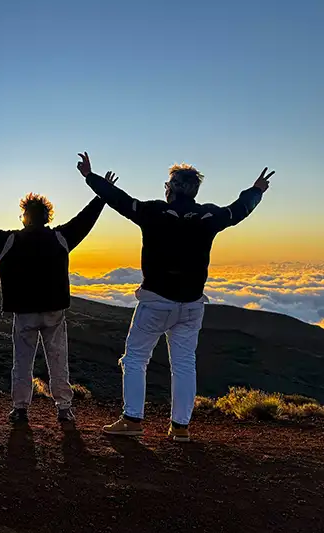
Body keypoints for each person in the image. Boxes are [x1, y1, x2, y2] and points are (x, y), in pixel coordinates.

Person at [77, 152, 273, 442]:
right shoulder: (208, 216)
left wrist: (90, 177)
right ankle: (180, 427)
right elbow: (239, 210)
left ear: (171, 189)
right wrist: (256, 190)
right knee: (183, 364)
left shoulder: (154, 212)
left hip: (156, 302)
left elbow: (120, 200)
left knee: (135, 359)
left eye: (167, 185)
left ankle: (132, 420)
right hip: (192, 304)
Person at [0, 183, 115, 425]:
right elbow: (85, 220)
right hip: (54, 311)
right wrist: (102, 195)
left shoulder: (9, 241)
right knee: (58, 360)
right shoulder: (60, 238)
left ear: (25, 217)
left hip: (24, 312)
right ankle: (64, 408)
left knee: (22, 362)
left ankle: (20, 409)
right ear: (47, 216)